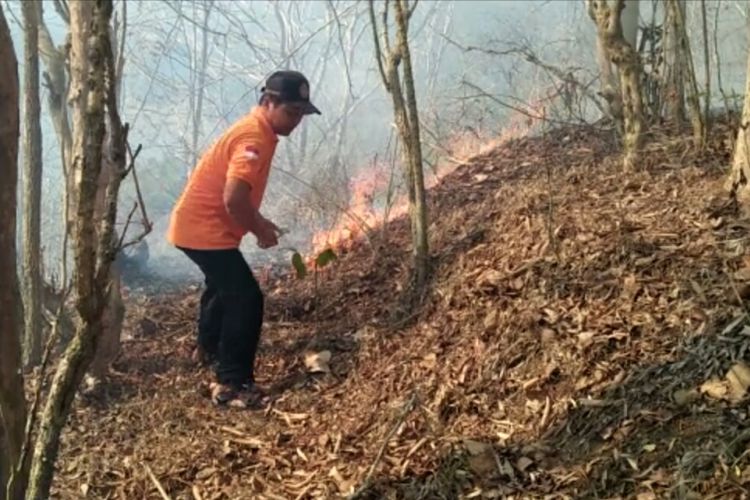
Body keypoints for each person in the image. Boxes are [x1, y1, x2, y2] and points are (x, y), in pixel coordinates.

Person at [166, 70, 320, 407]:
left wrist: (260, 220)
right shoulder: (254, 137)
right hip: (203, 229)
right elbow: (234, 198)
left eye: (300, 114)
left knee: (222, 287)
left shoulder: (257, 131)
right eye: (291, 112)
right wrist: (260, 229)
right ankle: (233, 383)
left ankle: (207, 350)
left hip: (197, 227)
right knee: (245, 298)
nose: (296, 121)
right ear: (268, 102)